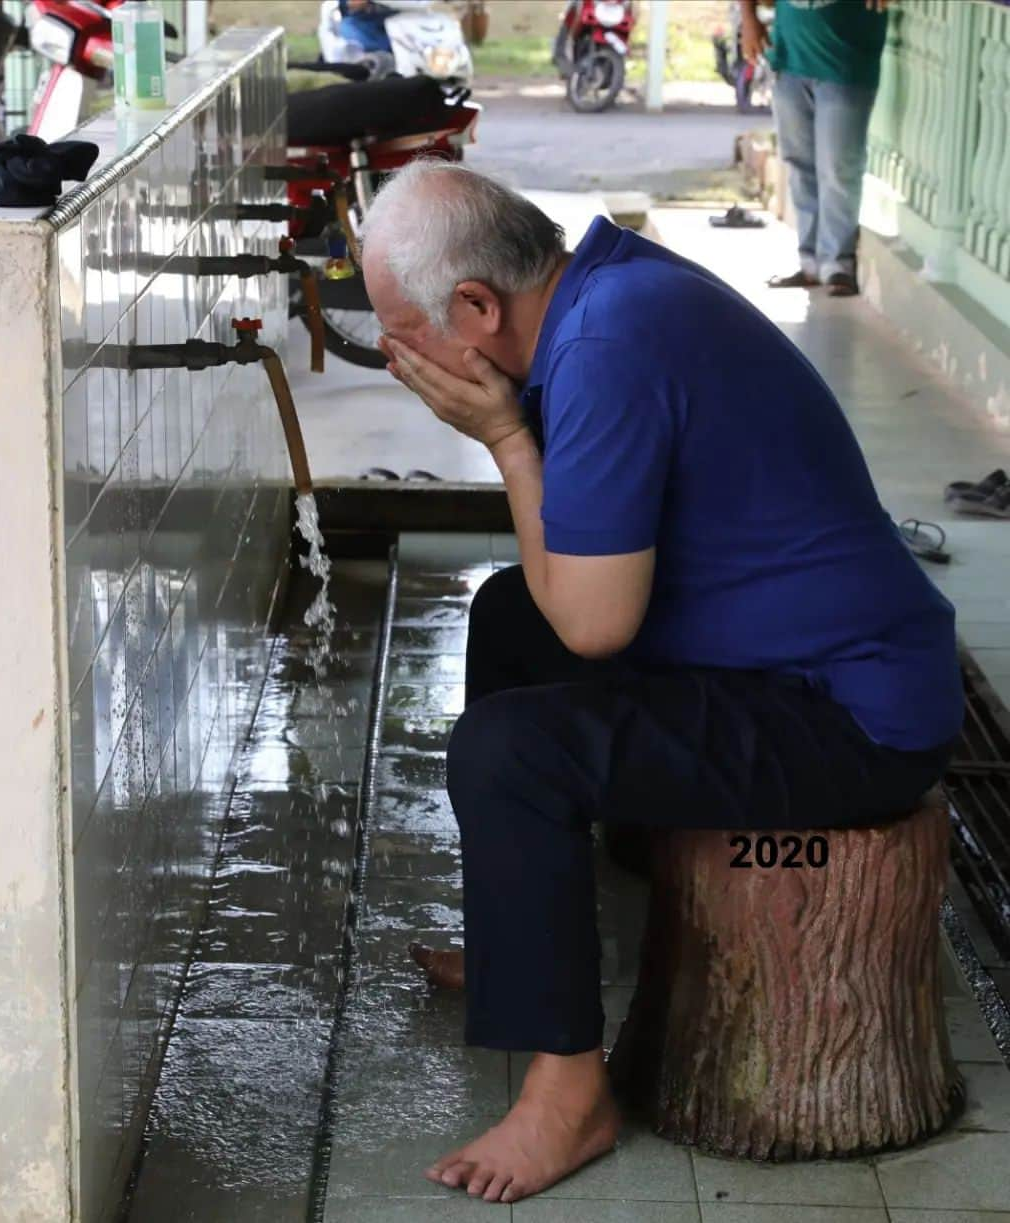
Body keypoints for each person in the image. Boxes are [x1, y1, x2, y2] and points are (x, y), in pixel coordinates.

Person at [359, 161, 963, 1205]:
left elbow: (595, 626)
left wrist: (506, 438)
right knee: (510, 610)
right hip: (772, 662)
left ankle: (568, 1090)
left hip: (853, 718)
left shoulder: (603, 344)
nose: (394, 353)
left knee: (510, 750)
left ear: (475, 306)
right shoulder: (605, 293)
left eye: (401, 328)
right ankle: (525, 956)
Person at [742, 0, 891, 296]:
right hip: (790, 59)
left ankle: (838, 264)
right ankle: (809, 261)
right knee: (799, 164)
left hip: (846, 62)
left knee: (838, 167)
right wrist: (748, 19)